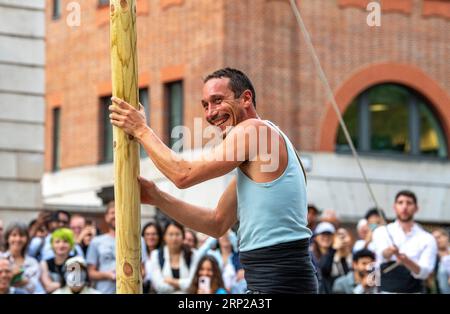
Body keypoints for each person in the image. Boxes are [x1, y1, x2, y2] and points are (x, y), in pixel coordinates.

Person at [109, 68, 317, 293]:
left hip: (279, 282)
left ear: (246, 98)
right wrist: (158, 197)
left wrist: (140, 129)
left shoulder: (255, 131)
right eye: (206, 105)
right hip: (276, 280)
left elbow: (183, 174)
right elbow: (217, 223)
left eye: (217, 101)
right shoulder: (260, 156)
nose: (210, 113)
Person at [372, 190, 437, 293]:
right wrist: (390, 251)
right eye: (400, 202)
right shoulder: (381, 232)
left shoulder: (427, 238)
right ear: (394, 207)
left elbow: (425, 272)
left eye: (409, 203)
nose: (404, 207)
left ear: (416, 208)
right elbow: (382, 254)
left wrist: (407, 262)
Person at [149, 221, 198, 294]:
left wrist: (172, 281)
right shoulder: (156, 255)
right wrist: (183, 285)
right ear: (164, 237)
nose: (174, 238)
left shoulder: (192, 254)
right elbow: (159, 286)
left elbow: (192, 284)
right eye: (170, 234)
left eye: (177, 234)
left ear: (183, 237)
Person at [1, 222, 44, 293]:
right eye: (14, 235)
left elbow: (33, 287)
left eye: (21, 235)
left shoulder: (32, 262)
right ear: (7, 238)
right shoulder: (1, 258)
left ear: (27, 239)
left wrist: (20, 279)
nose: (18, 239)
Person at [86, 202, 117, 294]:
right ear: (106, 217)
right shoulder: (96, 241)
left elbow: (142, 270)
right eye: (112, 212)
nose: (116, 215)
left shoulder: (138, 240)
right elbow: (91, 273)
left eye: (119, 211)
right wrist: (108, 275)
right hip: (103, 291)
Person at [318, 227, 353, 294]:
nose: (342, 238)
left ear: (350, 238)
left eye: (344, 235)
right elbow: (324, 269)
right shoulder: (330, 256)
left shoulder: (354, 256)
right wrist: (334, 248)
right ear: (334, 239)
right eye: (339, 235)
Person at [40, 228, 75, 293]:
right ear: (52, 244)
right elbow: (48, 287)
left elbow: (75, 286)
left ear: (71, 245)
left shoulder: (76, 262)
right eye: (57, 242)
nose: (61, 245)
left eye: (65, 241)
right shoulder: (44, 263)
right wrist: (66, 284)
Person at [142, 221, 163, 293]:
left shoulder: (164, 255)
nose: (150, 237)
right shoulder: (138, 256)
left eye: (154, 234)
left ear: (159, 236)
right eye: (147, 234)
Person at [432, 228, 450, 294]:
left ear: (446, 237)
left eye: (438, 237)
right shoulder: (433, 256)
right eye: (434, 239)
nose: (436, 240)